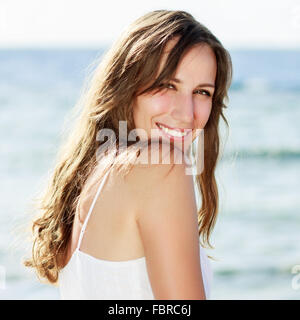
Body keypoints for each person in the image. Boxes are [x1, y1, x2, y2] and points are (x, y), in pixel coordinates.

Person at [24, 10, 232, 300]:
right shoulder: (161, 166)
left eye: (202, 92)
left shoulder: (96, 175)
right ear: (127, 84)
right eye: (167, 85)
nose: (186, 113)